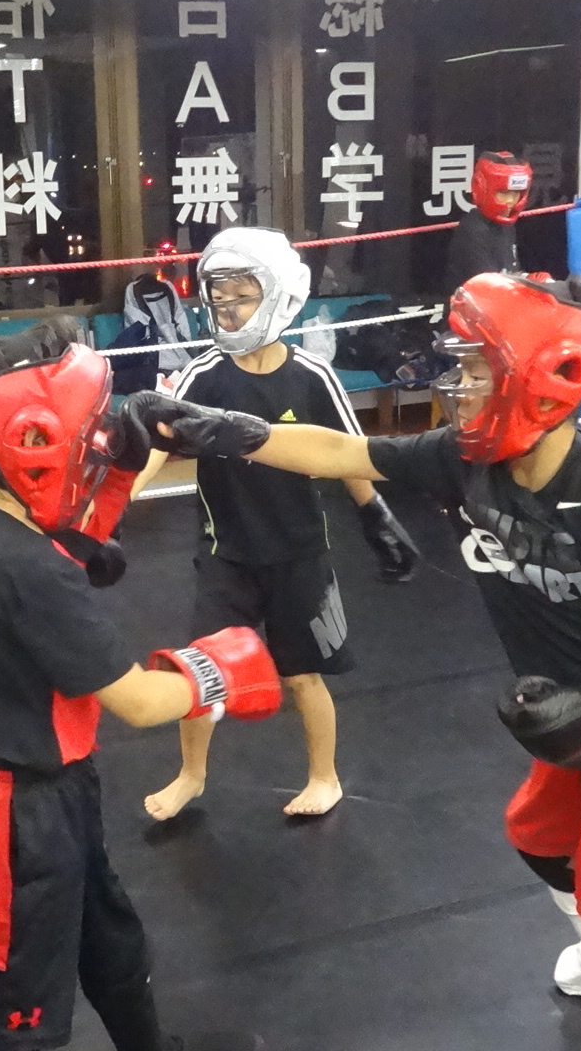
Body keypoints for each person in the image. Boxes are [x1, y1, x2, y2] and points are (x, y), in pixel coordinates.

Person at [129, 272, 581, 1051]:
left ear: (538, 384)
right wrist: (227, 430)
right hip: (564, 716)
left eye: (478, 372)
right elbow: (340, 450)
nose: (459, 389)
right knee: (541, 840)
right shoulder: (465, 461)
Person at [0, 327, 282, 1051]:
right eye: (83, 434)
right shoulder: (20, 567)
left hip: (56, 794)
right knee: (12, 1008)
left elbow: (72, 543)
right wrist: (224, 669)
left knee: (112, 944)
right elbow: (140, 702)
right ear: (32, 440)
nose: (92, 447)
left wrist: (125, 462)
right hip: (16, 818)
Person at [127, 226, 419, 820]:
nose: (228, 310)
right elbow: (159, 441)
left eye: (242, 296)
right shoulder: (203, 375)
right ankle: (190, 775)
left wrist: (376, 514)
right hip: (226, 553)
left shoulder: (310, 375)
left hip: (299, 551)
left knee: (303, 676)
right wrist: (117, 498)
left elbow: (348, 452)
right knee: (199, 673)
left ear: (279, 295)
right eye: (220, 298)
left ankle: (324, 777)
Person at [445, 151, 532, 287]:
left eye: (516, 193)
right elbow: (488, 287)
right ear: (482, 189)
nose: (510, 200)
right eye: (504, 193)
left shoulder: (507, 226)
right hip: (475, 299)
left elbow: (511, 273)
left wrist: (532, 281)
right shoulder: (473, 230)